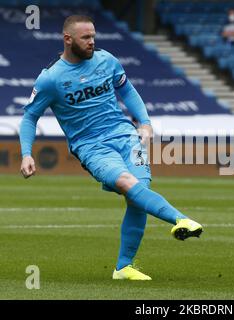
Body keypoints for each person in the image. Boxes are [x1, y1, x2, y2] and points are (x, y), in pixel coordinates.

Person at [19, 15, 203, 281]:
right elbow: (29, 117)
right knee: (129, 183)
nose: (92, 41)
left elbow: (127, 90)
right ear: (68, 39)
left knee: (139, 192)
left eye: (93, 36)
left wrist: (145, 122)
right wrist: (27, 153)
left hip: (126, 135)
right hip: (91, 147)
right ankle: (180, 219)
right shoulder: (51, 79)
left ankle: (123, 267)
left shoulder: (107, 60)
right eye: (86, 37)